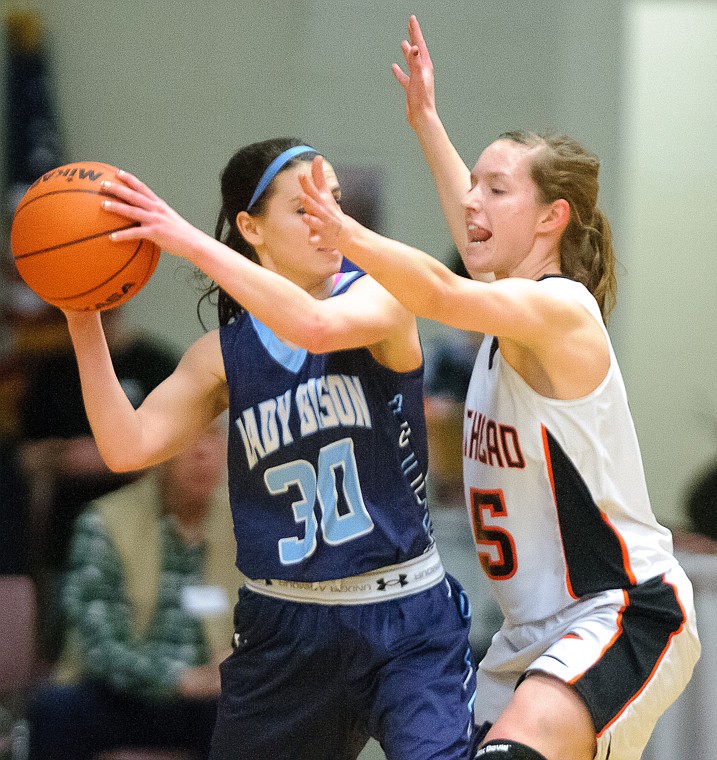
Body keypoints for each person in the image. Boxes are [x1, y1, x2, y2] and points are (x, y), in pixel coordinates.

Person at [292, 16, 701, 760]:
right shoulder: (506, 307)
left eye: (496, 189)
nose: (472, 203)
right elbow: (469, 242)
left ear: (551, 217)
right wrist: (424, 122)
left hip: (616, 612)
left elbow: (442, 293)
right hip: (528, 635)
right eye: (472, 184)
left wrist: (340, 228)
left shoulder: (557, 312)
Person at [60, 138, 478, 760]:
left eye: (332, 199)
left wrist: (187, 240)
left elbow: (312, 327)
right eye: (305, 206)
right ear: (252, 228)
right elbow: (127, 446)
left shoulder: (381, 297)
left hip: (405, 617)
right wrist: (80, 310)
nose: (329, 218)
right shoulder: (222, 357)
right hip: (285, 626)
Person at [26, 423, 241, 759]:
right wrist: (178, 680)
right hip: (123, 693)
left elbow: (273, 623)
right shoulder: (105, 520)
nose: (203, 451)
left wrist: (236, 666)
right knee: (55, 710)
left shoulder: (246, 525)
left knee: (263, 715)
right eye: (188, 438)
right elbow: (98, 643)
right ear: (159, 452)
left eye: (213, 436)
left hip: (215, 698)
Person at [17, 305, 179, 661]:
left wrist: (111, 457)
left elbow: (178, 454)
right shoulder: (53, 371)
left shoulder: (156, 364)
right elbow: (23, 456)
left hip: (146, 534)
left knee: (145, 642)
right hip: (67, 536)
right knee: (64, 652)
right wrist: (64, 456)